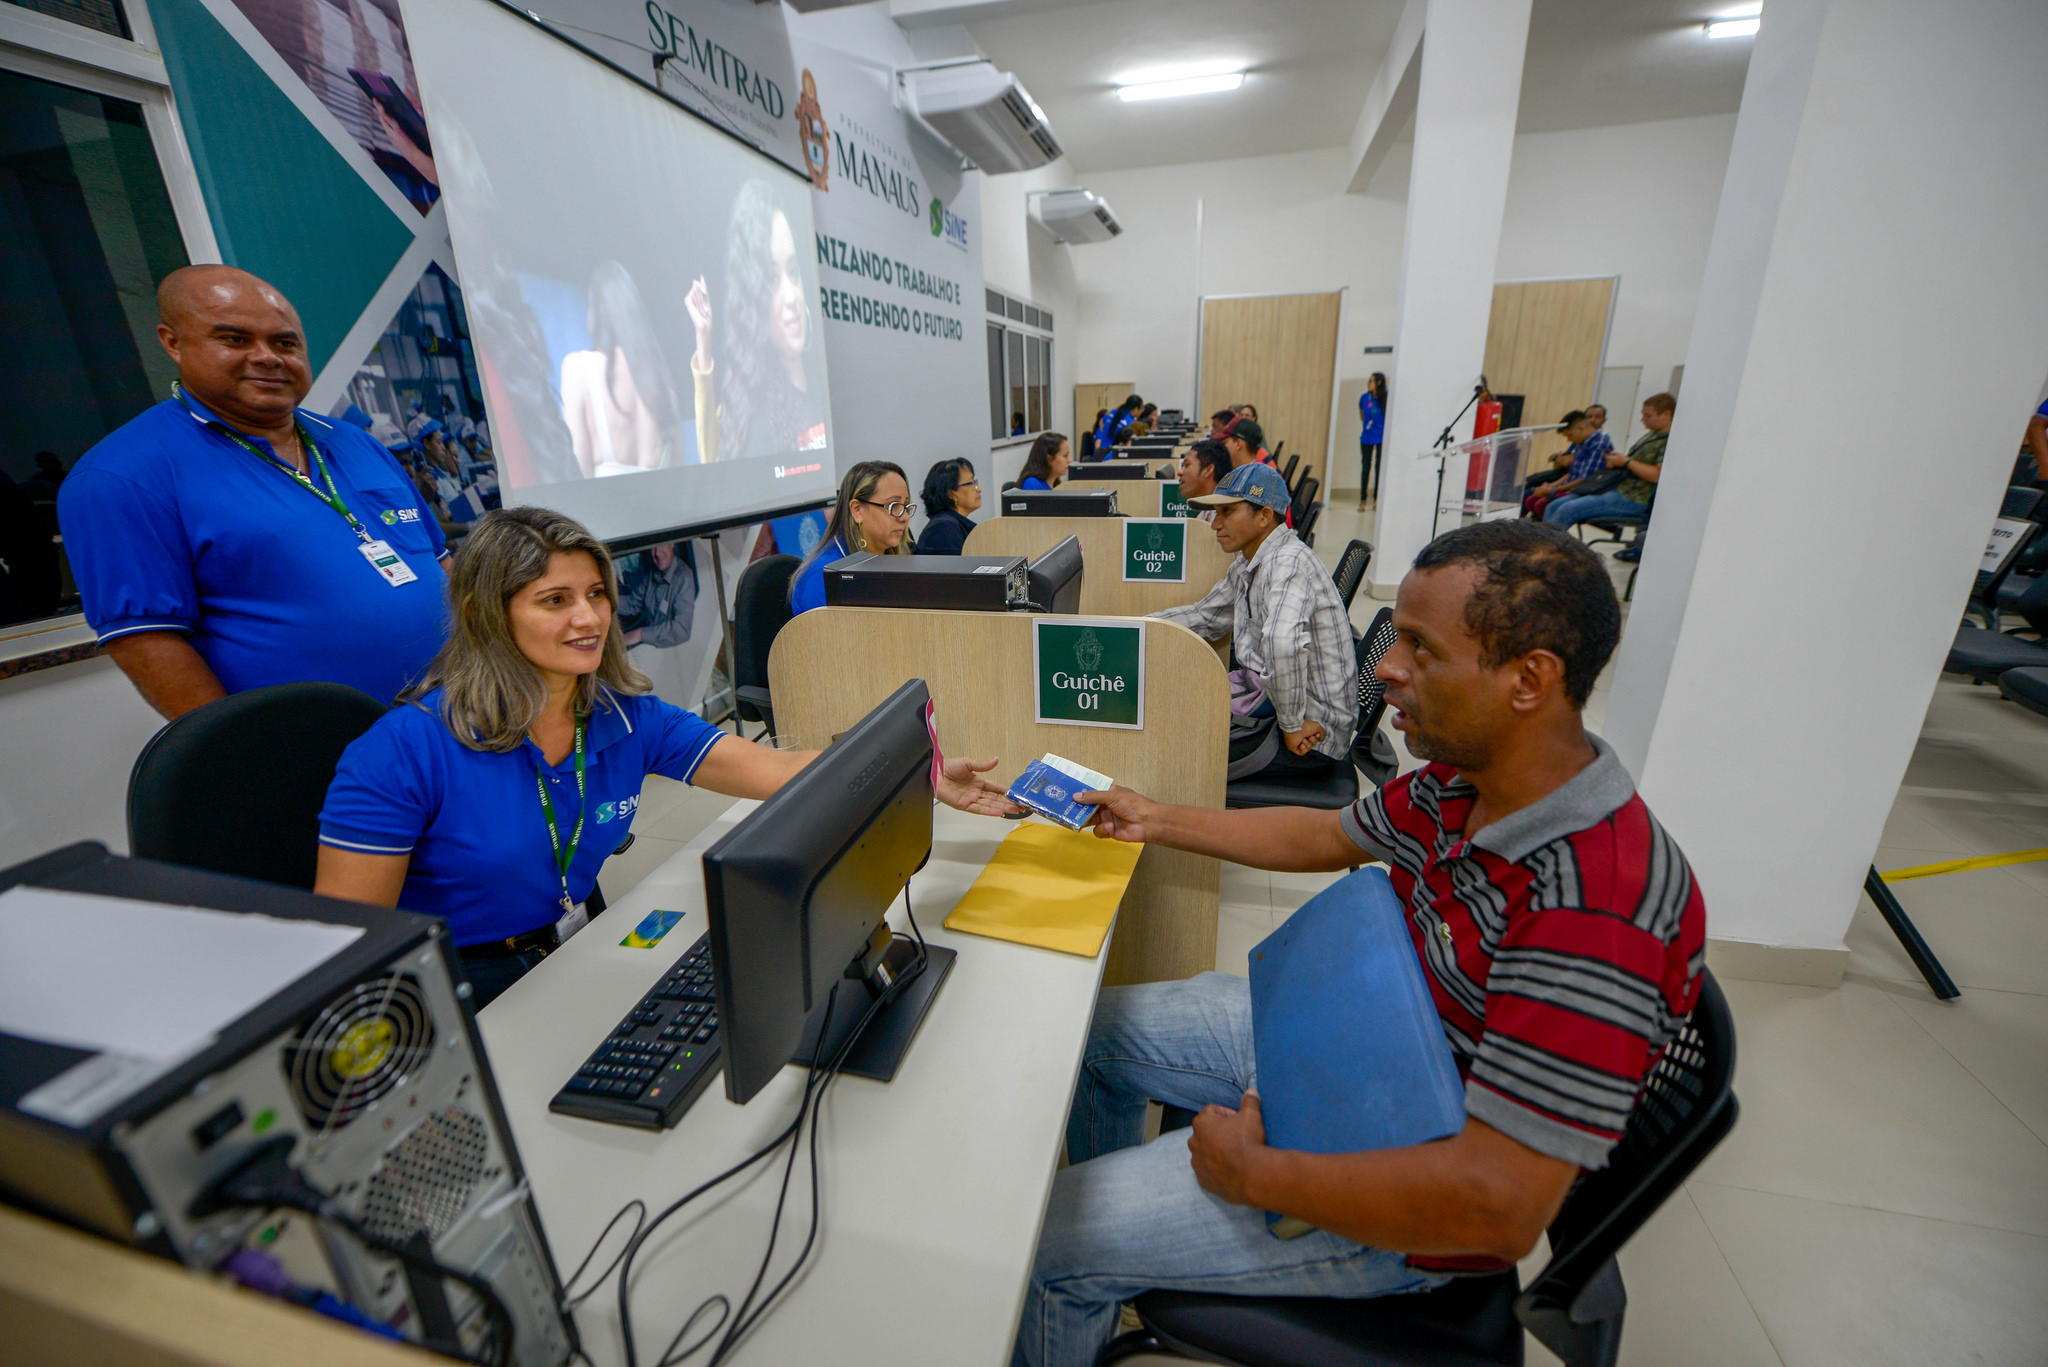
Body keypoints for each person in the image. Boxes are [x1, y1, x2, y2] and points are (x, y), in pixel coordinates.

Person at [1014, 520, 1706, 1367]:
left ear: (1529, 680)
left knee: (1046, 1243)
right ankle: (1128, 1259)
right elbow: (1325, 835)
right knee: (1090, 1035)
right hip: (1355, 1047)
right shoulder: (1467, 779)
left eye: (1421, 647)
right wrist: (1153, 817)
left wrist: (1255, 1176)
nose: (1385, 666)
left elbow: (1496, 1210)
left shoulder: (1597, 903)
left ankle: (1087, 1265)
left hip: (1409, 1199)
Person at [314, 507, 1021, 1008]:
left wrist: (921, 771)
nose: (589, 618)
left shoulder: (624, 715)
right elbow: (349, 959)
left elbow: (775, 771)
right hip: (460, 985)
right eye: (554, 600)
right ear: (487, 614)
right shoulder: (402, 751)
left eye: (596, 594)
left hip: (576, 947)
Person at [58, 265, 449, 719]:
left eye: (285, 343)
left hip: (461, 717)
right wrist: (244, 750)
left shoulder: (354, 442)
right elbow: (146, 642)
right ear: (172, 342)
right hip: (320, 746)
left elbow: (441, 563)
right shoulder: (122, 475)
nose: (267, 357)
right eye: (235, 339)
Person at [1154, 463, 1353, 781]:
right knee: (1170, 716)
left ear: (1264, 516)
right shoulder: (1249, 563)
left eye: (1227, 512)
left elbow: (1283, 645)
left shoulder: (1288, 564)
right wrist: (1135, 627)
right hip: (1273, 706)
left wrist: (1291, 725)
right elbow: (1207, 617)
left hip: (1308, 735)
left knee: (1170, 758)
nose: (1215, 524)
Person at [689, 180, 828, 463]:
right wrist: (703, 344)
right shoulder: (753, 421)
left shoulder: (823, 385)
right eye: (773, 279)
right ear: (753, 297)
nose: (792, 297)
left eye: (794, 271)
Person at [560, 260, 684, 477]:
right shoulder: (661, 381)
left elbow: (578, 472)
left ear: (595, 311)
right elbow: (678, 470)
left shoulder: (579, 368)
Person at [789, 461, 914, 613]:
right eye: (894, 506)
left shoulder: (892, 561)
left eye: (906, 506)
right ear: (857, 510)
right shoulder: (824, 577)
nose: (905, 517)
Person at [1543, 393, 1674, 534]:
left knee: (1567, 509)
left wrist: (1626, 462)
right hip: (1615, 488)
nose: (1643, 420)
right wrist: (1618, 462)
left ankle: (1546, 545)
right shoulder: (1651, 435)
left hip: (1633, 498)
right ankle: (1541, 541)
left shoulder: (1669, 441)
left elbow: (1657, 475)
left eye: (1648, 416)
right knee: (1553, 505)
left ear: (1666, 414)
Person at [1521, 409, 1605, 520]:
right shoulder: (1582, 443)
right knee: (1530, 498)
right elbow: (1571, 472)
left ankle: (1547, 528)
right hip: (1569, 484)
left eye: (1570, 435)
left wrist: (1552, 490)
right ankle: (1535, 524)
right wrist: (1552, 485)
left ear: (1581, 429)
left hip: (1582, 490)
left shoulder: (1598, 445)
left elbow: (1583, 479)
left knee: (1541, 504)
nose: (1569, 440)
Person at [618, 540, 698, 649]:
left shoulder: (684, 577)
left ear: (672, 544)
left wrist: (640, 634)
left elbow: (682, 630)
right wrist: (607, 602)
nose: (657, 553)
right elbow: (632, 604)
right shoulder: (651, 575)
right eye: (653, 547)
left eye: (661, 545)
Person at [916, 458, 982, 555]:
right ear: (951, 494)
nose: (979, 489)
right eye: (971, 483)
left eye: (975, 482)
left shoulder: (951, 524)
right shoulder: (944, 528)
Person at [1174, 439, 1231, 520]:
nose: (1179, 472)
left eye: (1187, 465)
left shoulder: (1228, 516)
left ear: (1208, 470)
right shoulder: (1205, 513)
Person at [1358, 372, 1386, 508]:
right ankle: (1363, 499)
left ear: (1379, 383)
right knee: (1365, 467)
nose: (1369, 383)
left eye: (1372, 381)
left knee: (1379, 468)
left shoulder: (1385, 399)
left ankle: (1376, 499)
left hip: (1381, 437)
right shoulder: (1364, 398)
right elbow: (1362, 416)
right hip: (1366, 437)